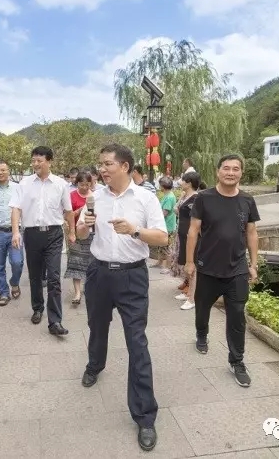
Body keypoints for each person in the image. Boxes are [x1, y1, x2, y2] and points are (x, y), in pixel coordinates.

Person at [77, 143, 169, 452]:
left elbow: (162, 237)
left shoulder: (145, 198)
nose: (101, 169)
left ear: (125, 166)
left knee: (137, 342)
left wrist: (134, 231)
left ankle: (145, 416)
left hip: (132, 276)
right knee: (97, 326)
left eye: (107, 164)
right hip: (99, 273)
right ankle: (95, 365)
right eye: (101, 164)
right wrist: (83, 226)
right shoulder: (95, 198)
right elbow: (79, 233)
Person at [185, 154, 260, 388]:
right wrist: (189, 262)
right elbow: (193, 231)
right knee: (202, 309)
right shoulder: (203, 198)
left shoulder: (247, 200)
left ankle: (237, 361)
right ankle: (201, 333)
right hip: (208, 267)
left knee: (237, 316)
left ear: (241, 173)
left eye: (235, 169)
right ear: (218, 172)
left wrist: (253, 264)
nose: (230, 172)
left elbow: (251, 233)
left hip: (237, 269)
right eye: (226, 168)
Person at [10, 146, 75, 336]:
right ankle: (37, 308)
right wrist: (15, 232)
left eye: (39, 160)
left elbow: (68, 211)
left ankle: (55, 321)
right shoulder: (24, 183)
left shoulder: (60, 184)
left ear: (49, 161)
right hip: (31, 234)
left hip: (54, 234)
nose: (36, 164)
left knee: (54, 277)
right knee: (35, 276)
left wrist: (72, 232)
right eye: (33, 160)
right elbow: (16, 209)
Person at [0, 160, 24, 306]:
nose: (0, 173)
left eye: (3, 170)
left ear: (8, 171)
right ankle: (3, 293)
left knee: (17, 262)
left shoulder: (18, 188)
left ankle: (14, 282)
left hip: (15, 232)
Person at [64, 171, 94, 305]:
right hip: (75, 232)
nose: (85, 187)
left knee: (90, 263)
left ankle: (88, 287)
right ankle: (77, 293)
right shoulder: (72, 196)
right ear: (77, 183)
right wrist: (81, 209)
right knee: (76, 262)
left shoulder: (95, 196)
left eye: (88, 184)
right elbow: (67, 215)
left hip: (92, 233)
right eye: (82, 184)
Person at [173, 171, 201, 310]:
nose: (181, 183)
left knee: (192, 266)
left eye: (183, 180)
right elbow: (176, 210)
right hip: (183, 234)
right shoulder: (185, 197)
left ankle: (192, 298)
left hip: (191, 236)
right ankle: (188, 292)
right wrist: (181, 197)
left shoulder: (196, 198)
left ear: (189, 183)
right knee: (185, 263)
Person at [152, 177, 176, 273]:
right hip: (164, 225)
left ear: (163, 186)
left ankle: (168, 267)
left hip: (168, 226)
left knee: (167, 247)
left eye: (160, 185)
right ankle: (159, 262)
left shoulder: (169, 197)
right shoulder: (167, 195)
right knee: (161, 245)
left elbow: (164, 213)